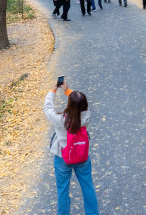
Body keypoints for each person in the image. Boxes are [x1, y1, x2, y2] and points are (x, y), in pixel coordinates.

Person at [43, 80, 99, 215]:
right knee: (88, 187)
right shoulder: (86, 117)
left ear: (69, 105)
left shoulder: (60, 120)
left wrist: (53, 90)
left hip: (63, 157)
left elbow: (47, 108)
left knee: (62, 190)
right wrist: (68, 91)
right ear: (85, 106)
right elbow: (80, 106)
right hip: (82, 156)